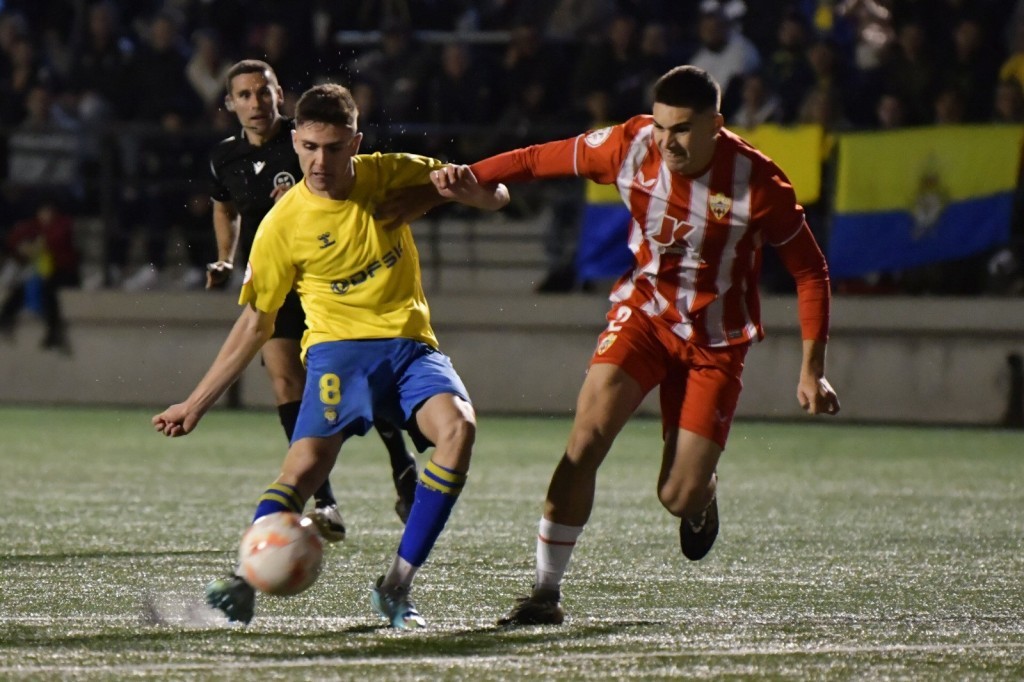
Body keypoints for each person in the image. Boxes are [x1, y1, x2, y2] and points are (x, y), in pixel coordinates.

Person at [433, 65, 840, 625]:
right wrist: (468, 177)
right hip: (645, 316)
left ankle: (701, 497)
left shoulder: (759, 182)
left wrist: (812, 368)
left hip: (716, 344)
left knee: (677, 496)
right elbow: (533, 160)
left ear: (716, 126)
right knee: (585, 441)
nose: (667, 142)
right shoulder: (629, 144)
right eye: (662, 126)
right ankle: (545, 594)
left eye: (682, 131)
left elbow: (811, 271)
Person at [152, 82, 510, 628]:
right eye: (311, 147)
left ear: (356, 143)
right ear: (295, 142)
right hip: (338, 357)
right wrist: (195, 402)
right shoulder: (282, 224)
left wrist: (464, 190)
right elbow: (255, 323)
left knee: (459, 431)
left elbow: (497, 195)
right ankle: (245, 580)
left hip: (412, 349)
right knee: (303, 470)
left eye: (336, 148)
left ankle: (395, 587)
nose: (322, 161)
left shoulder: (389, 170)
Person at [203, 60, 421, 540]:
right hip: (281, 282)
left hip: (330, 281)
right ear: (229, 104)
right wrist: (224, 257)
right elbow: (225, 208)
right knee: (285, 382)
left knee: (361, 377)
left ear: (280, 94)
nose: (256, 103)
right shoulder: (225, 158)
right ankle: (324, 500)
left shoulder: (307, 138)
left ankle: (401, 463)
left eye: (264, 92)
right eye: (244, 95)